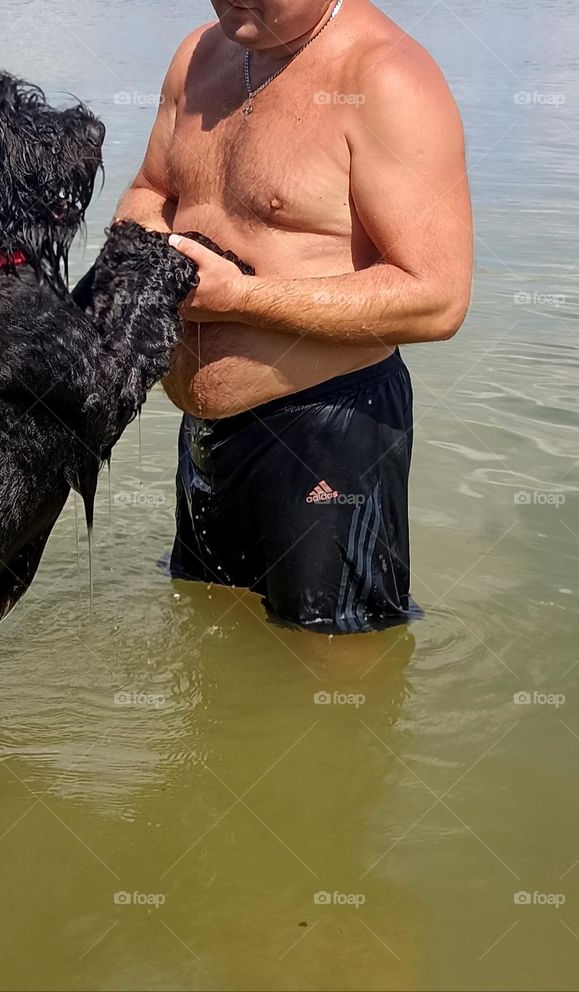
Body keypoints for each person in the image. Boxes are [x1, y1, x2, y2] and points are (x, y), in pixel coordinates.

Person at [115, 0, 473, 635]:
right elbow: (151, 189)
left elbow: (438, 297)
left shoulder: (387, 78)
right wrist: (145, 255)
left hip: (329, 430)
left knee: (339, 664)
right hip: (205, 435)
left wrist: (239, 298)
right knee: (210, 638)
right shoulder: (199, 54)